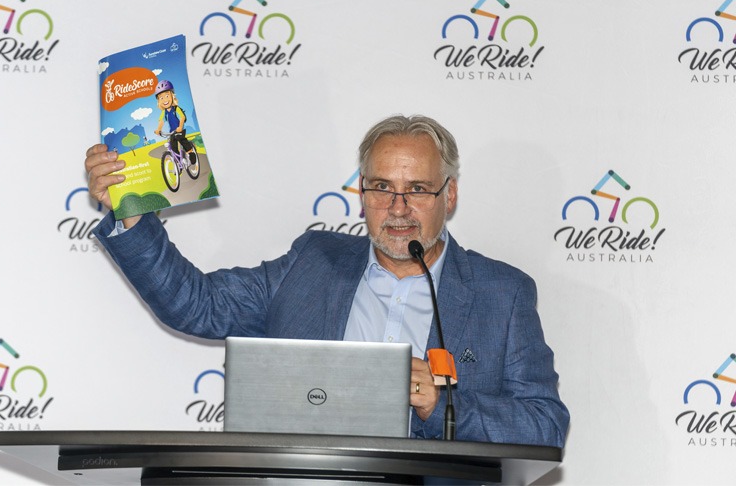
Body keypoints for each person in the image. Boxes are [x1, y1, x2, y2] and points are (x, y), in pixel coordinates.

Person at [85, 114, 569, 446]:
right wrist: (130, 209)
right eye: (382, 187)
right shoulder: (312, 261)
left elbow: (545, 425)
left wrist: (441, 405)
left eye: (417, 189)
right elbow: (195, 304)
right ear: (362, 194)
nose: (398, 208)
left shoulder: (500, 294)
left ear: (451, 195)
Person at [153, 79, 196, 165]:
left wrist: (180, 127)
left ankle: (191, 152)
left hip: (179, 130)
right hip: (172, 132)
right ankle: (178, 163)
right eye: (161, 98)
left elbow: (182, 117)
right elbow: (161, 121)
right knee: (173, 146)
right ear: (159, 101)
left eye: (167, 96)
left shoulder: (176, 108)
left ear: (172, 96)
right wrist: (158, 129)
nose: (165, 100)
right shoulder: (164, 112)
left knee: (181, 139)